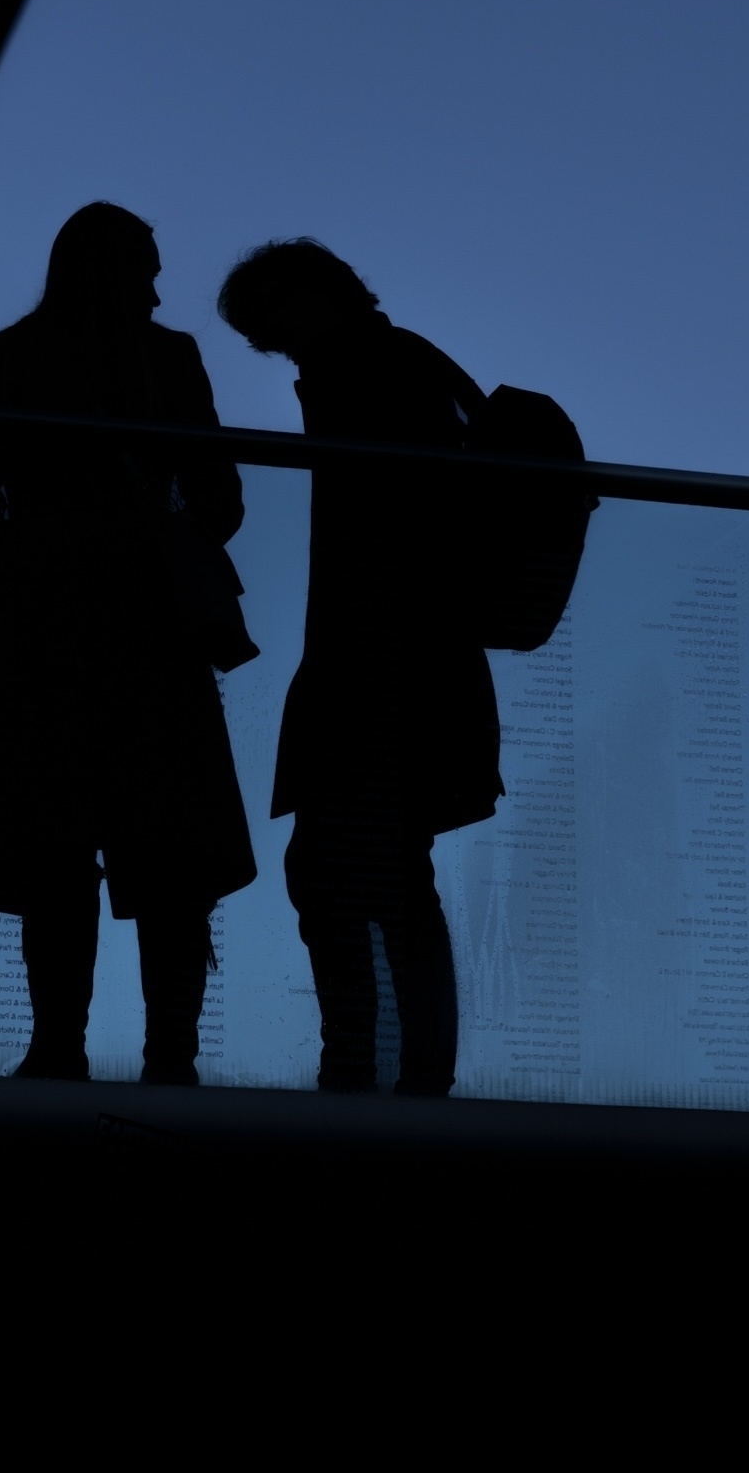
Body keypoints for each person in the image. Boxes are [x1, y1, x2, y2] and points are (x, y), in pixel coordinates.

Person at [0, 203, 256, 1085]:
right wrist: (161, 551)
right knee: (173, 852)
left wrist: (38, 566)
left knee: (52, 846)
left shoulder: (4, 359)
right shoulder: (171, 360)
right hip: (151, 623)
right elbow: (220, 497)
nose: (159, 289)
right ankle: (172, 1057)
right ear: (116, 270)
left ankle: (55, 1049)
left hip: (41, 632)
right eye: (148, 269)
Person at [218, 239, 503, 1096]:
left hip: (384, 665)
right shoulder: (397, 363)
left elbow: (394, 527)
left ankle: (378, 1075)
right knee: (370, 871)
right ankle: (387, 1071)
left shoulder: (371, 366)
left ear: (313, 294)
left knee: (355, 871)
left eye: (270, 319)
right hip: (393, 661)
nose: (269, 344)